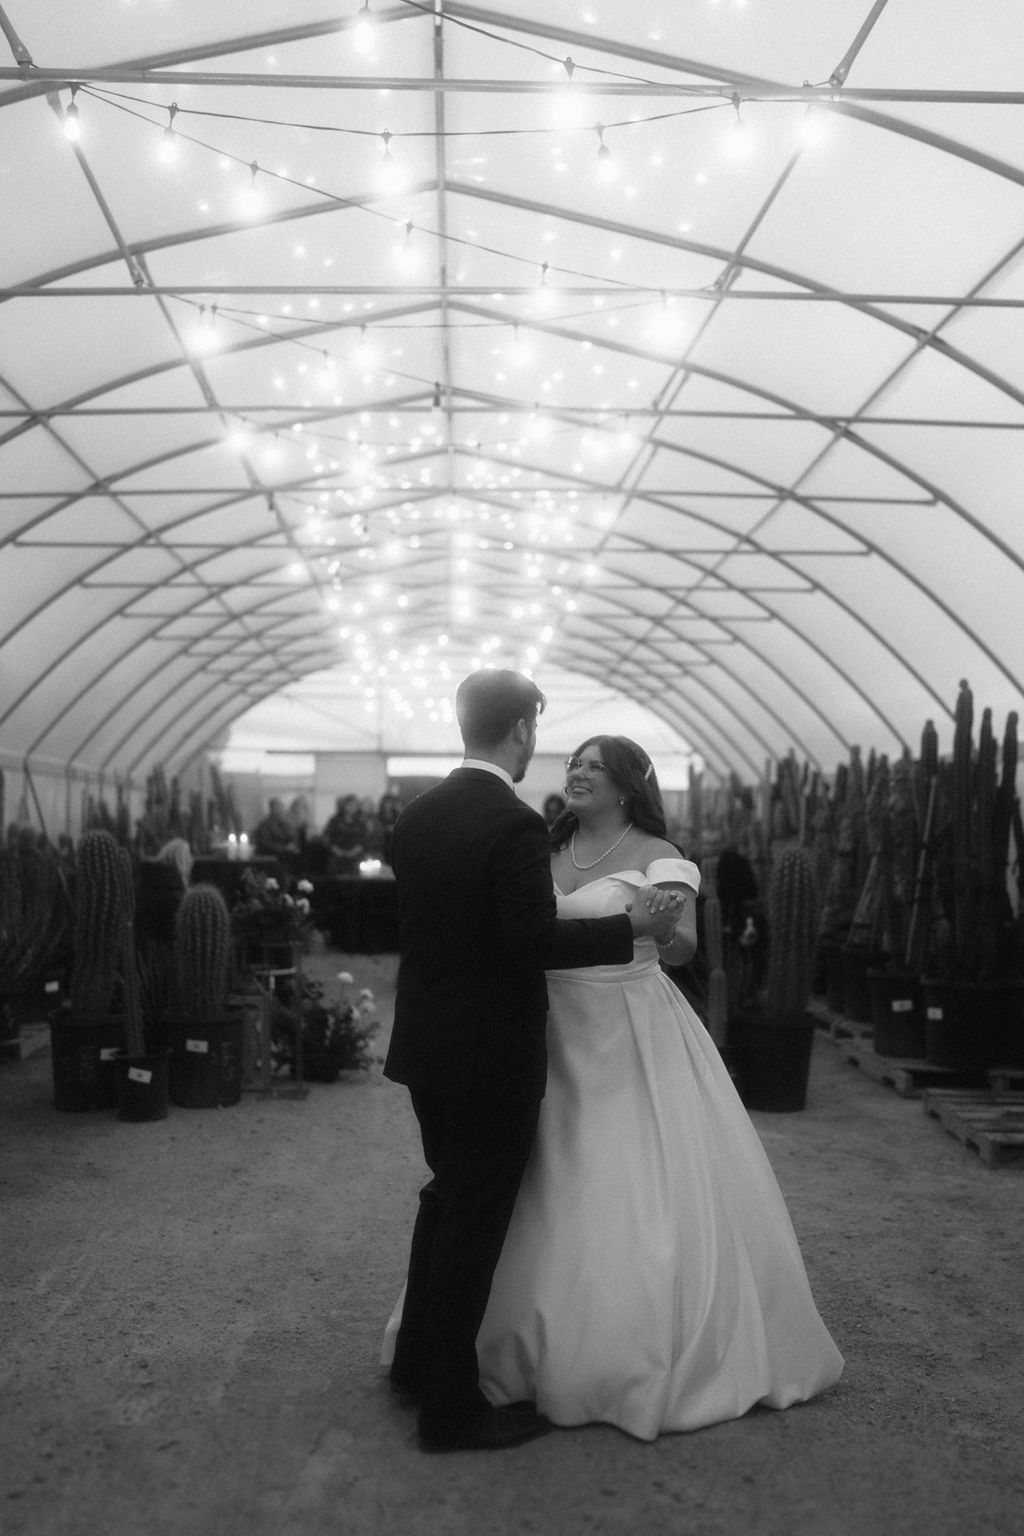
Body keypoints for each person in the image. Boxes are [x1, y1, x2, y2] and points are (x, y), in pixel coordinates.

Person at [432, 734, 843, 1441]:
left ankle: (616, 1354)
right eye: (575, 764)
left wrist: (659, 924)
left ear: (626, 786)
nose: (578, 773)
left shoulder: (660, 852)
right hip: (546, 1030)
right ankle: (489, 1348)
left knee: (618, 1181)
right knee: (531, 1180)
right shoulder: (544, 846)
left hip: (626, 1026)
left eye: (595, 767)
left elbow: (681, 945)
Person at [382, 672, 682, 1454]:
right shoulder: (514, 826)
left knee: (444, 1201)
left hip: (426, 1043)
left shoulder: (416, 816)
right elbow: (530, 940)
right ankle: (450, 1409)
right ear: (520, 730)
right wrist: (631, 931)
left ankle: (415, 1364)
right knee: (473, 1226)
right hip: (489, 1054)